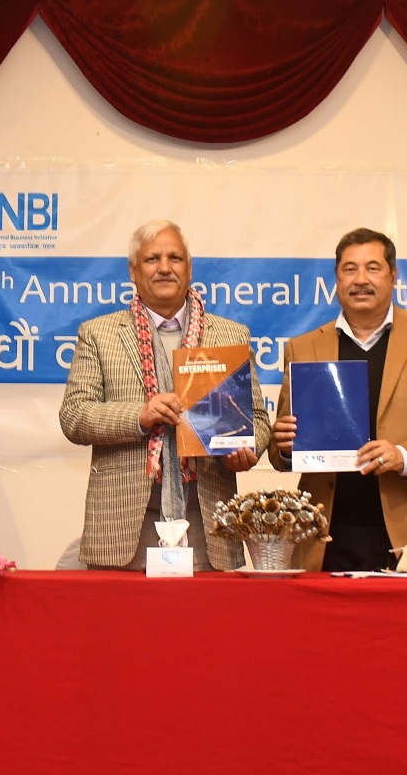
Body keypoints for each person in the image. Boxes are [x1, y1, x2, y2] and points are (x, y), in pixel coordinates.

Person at [60, 219, 269, 570]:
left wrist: (247, 449)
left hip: (208, 520)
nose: (164, 268)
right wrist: (140, 415)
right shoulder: (99, 334)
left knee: (206, 609)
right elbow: (74, 416)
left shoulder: (230, 335)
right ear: (133, 270)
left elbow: (258, 419)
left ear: (189, 268)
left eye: (174, 258)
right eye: (152, 259)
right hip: (123, 523)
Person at [271, 228, 407, 571]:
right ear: (336, 279)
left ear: (393, 275)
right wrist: (283, 446)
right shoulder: (303, 347)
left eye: (373, 268)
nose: (361, 280)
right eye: (350, 269)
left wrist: (405, 455)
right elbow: (282, 449)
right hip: (326, 532)